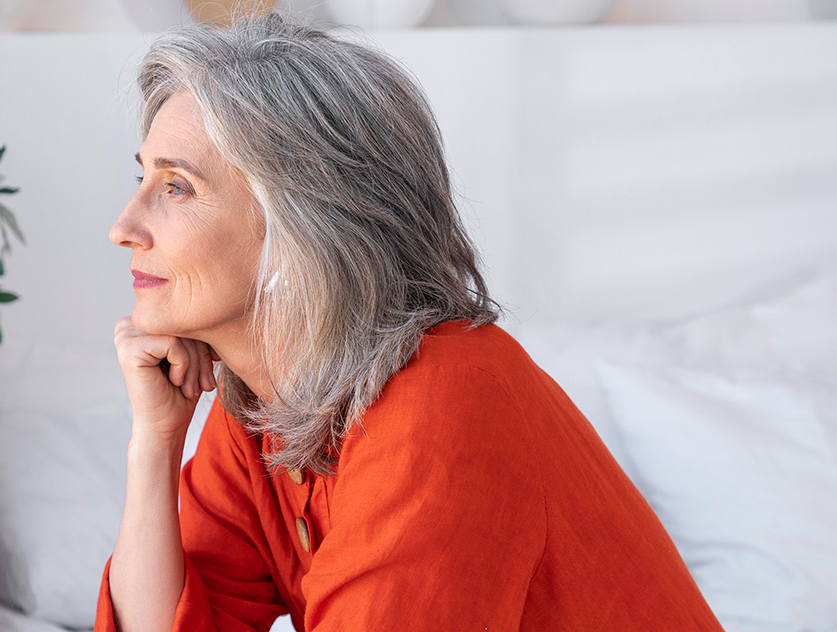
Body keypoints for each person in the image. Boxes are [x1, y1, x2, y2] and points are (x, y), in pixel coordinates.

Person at [98, 12, 723, 632]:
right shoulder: (260, 412)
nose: (123, 227)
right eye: (142, 175)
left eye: (177, 187)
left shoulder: (446, 397)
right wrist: (154, 442)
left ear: (301, 224)